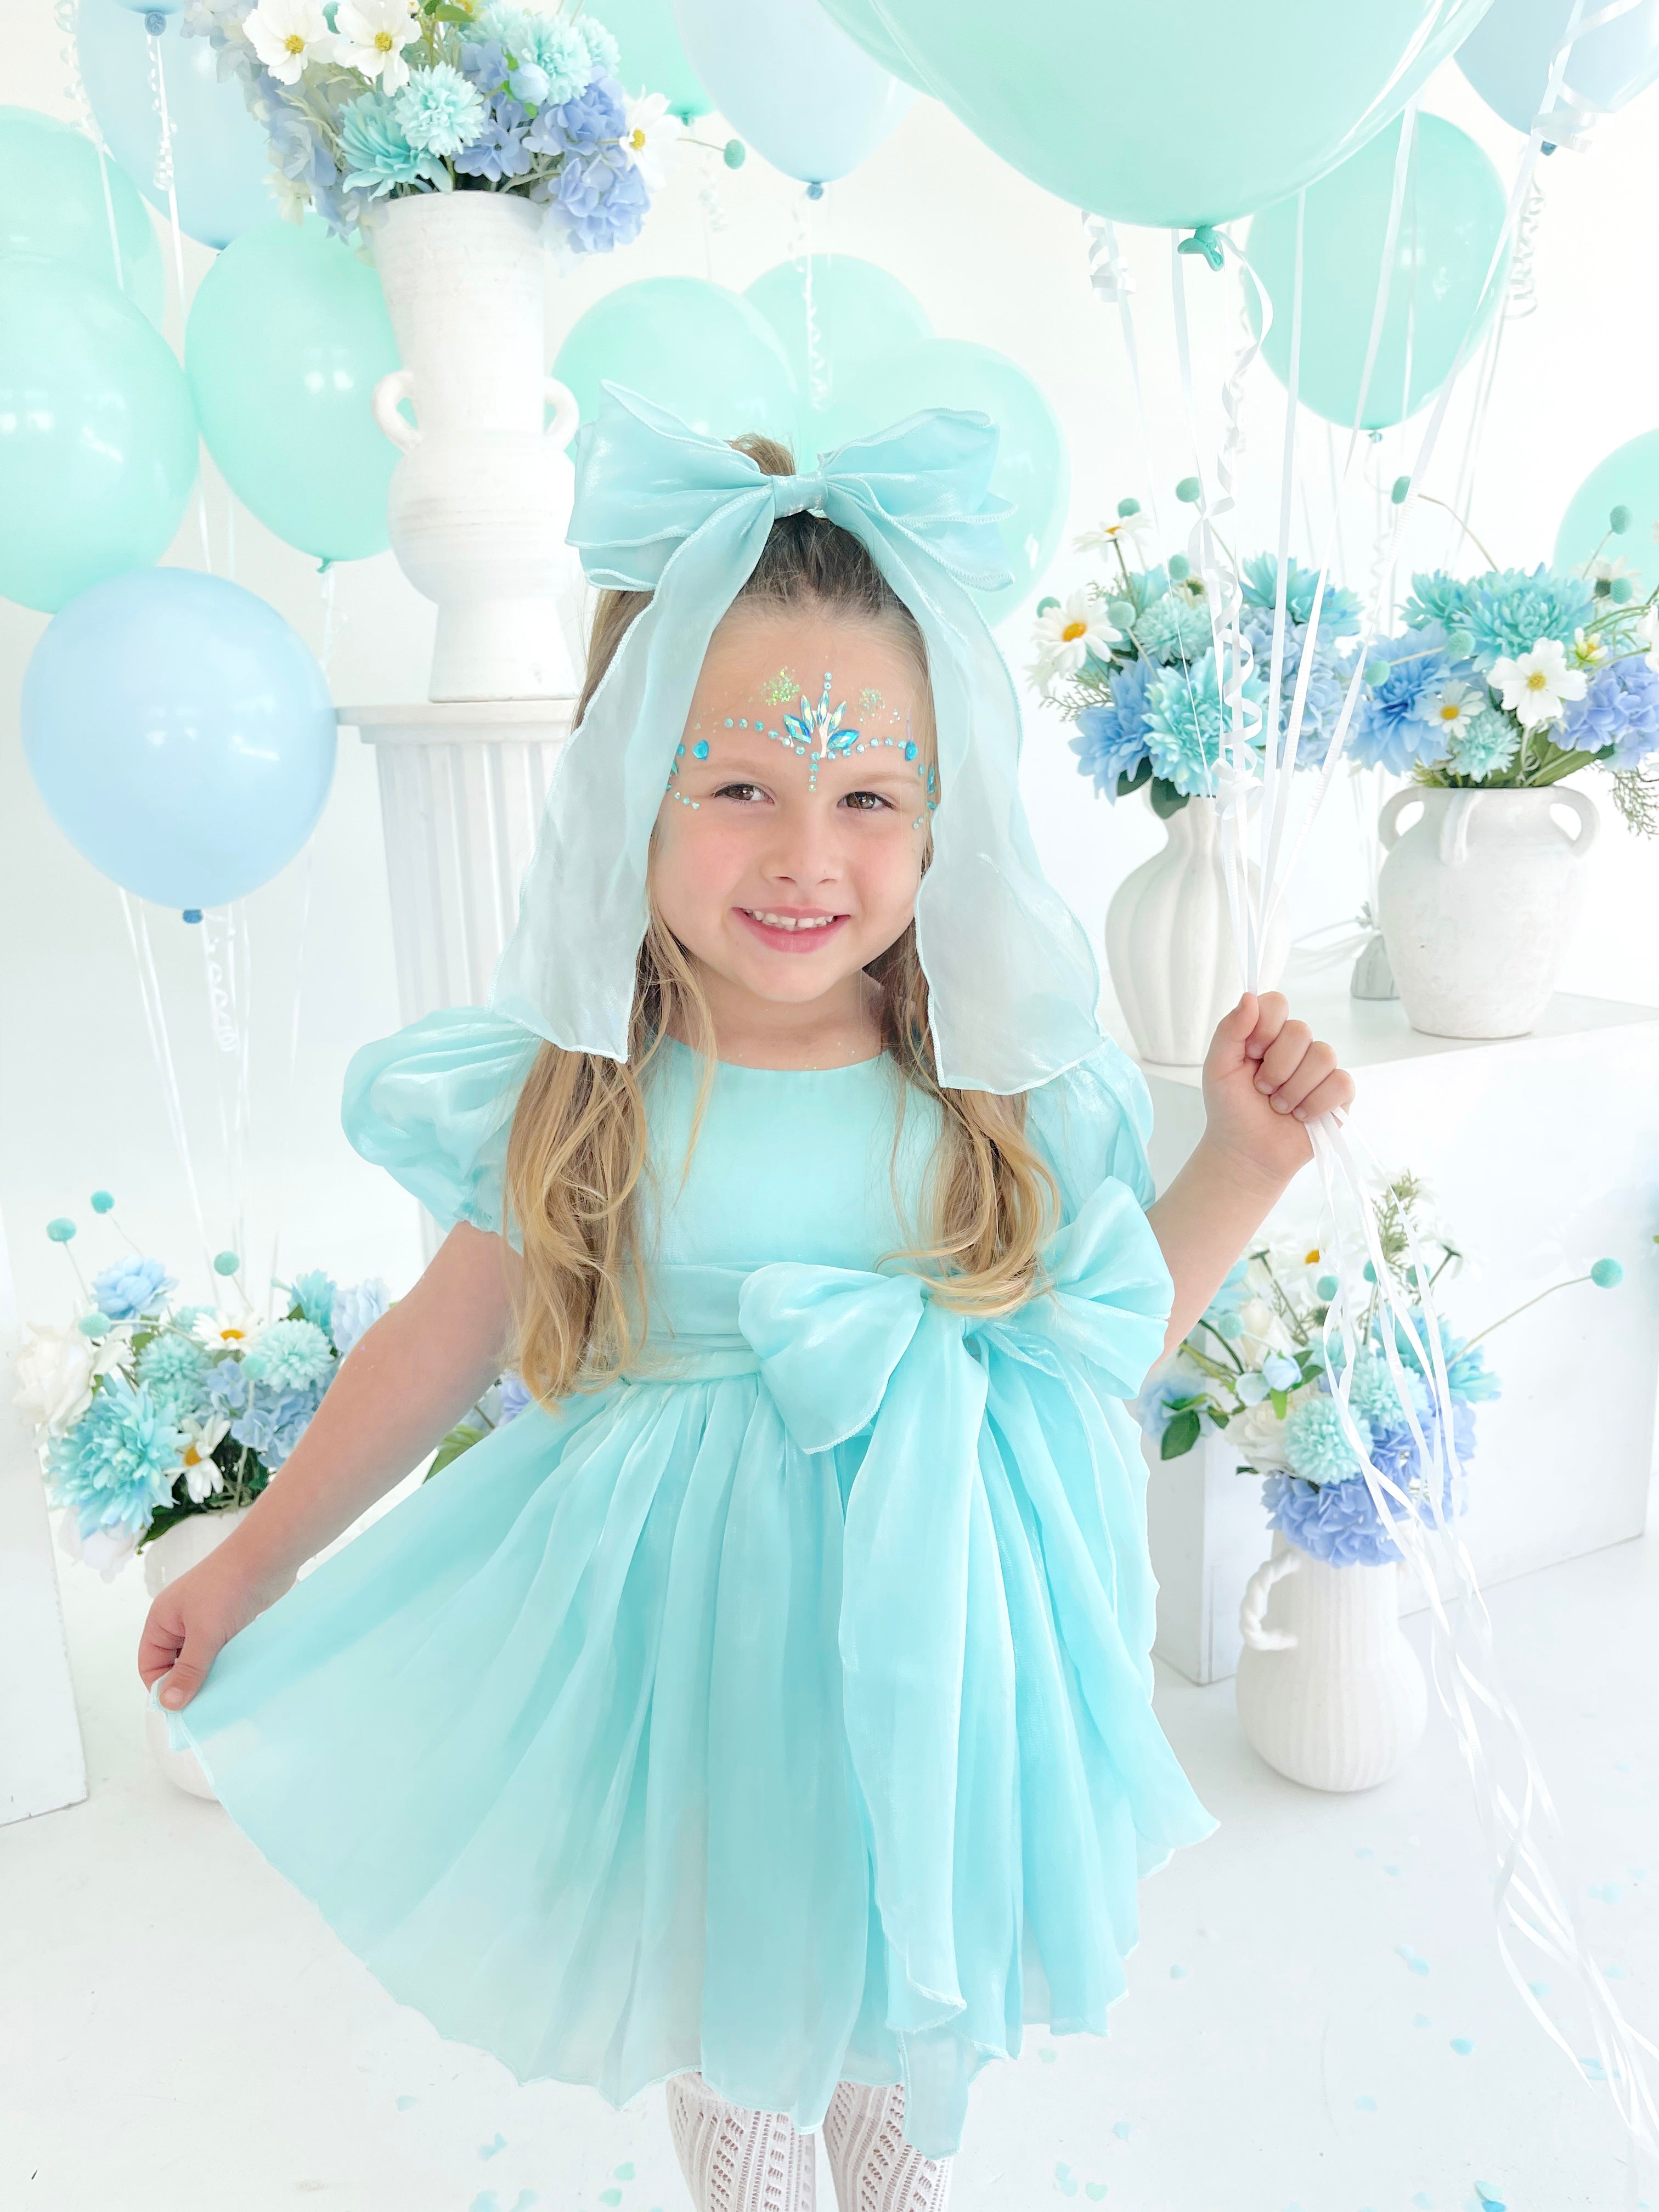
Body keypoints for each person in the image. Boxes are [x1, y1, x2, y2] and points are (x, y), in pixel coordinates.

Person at [138, 389, 1355, 2212]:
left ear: (941, 819)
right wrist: (252, 1558)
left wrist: (1242, 1168)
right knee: (728, 1994)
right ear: (632, 788)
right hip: (691, 1654)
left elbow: (1088, 1352)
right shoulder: (590, 1095)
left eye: (868, 796)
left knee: (884, 1976)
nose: (807, 857)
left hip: (931, 1635)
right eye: (738, 790)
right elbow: (437, 1346)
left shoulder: (991, 1090)